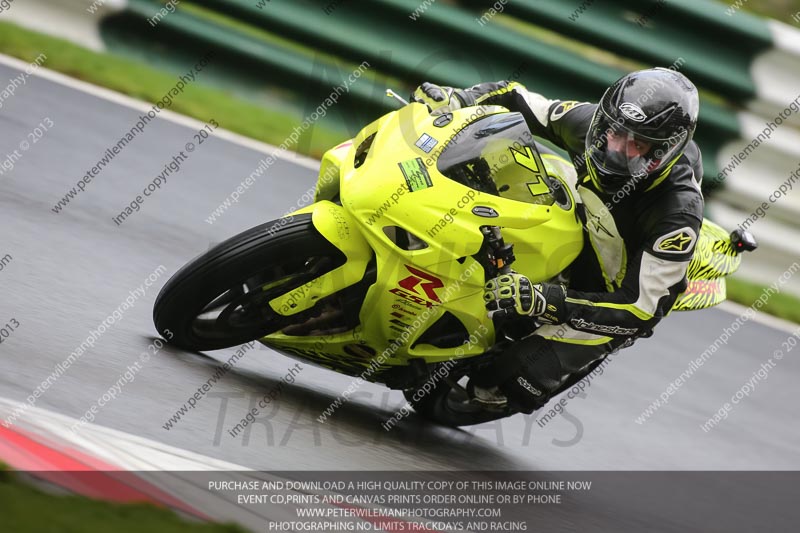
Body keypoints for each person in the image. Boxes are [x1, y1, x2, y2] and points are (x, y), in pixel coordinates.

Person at [411, 68, 704, 414]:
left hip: (611, 287)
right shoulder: (591, 124)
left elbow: (639, 310)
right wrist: (459, 98)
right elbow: (516, 96)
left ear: (664, 152)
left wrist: (545, 301)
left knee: (509, 377)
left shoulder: (677, 214)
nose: (616, 151)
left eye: (637, 145)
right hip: (582, 215)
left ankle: (508, 383)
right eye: (615, 133)